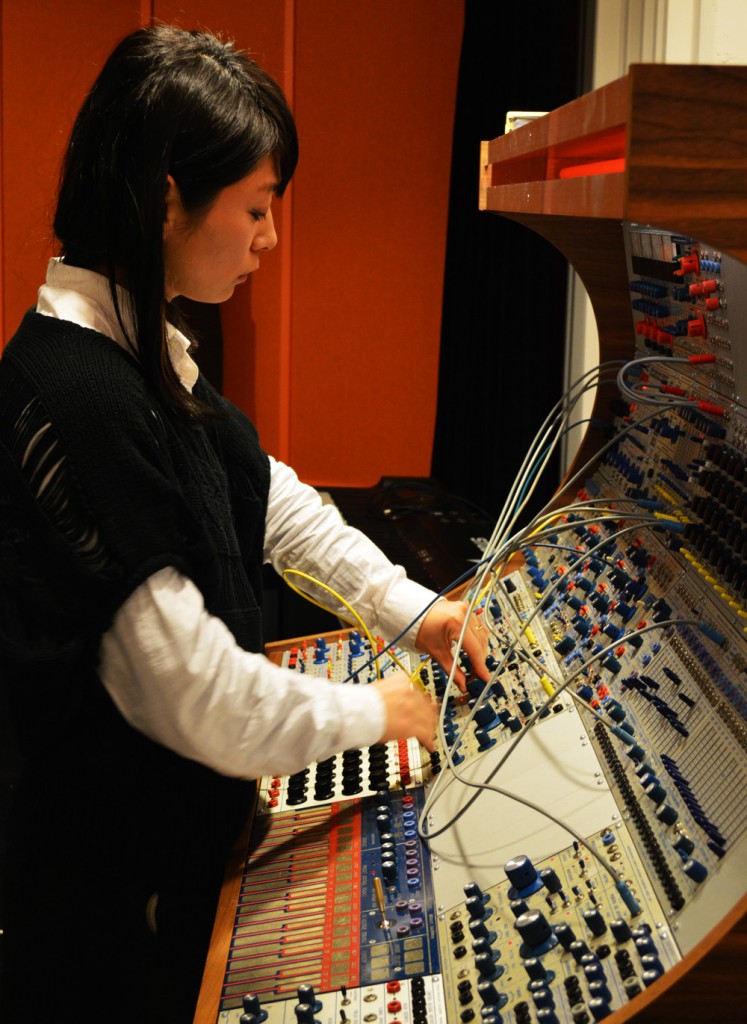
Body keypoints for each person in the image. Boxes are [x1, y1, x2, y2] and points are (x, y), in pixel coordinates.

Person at [0, 25, 488, 1024]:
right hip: (109, 930)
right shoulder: (80, 396)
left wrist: (414, 613)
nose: (270, 238)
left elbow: (273, 503)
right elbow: (193, 696)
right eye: (258, 208)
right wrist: (379, 715)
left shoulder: (143, 351)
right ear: (166, 197)